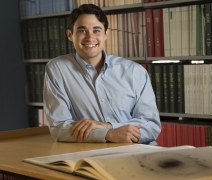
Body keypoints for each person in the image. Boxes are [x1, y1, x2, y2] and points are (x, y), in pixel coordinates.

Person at [43, 4, 161, 145]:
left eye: (96, 30)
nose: (90, 37)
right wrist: (108, 135)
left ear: (106, 34)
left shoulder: (135, 71)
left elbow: (151, 126)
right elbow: (59, 128)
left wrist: (108, 127)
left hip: (141, 152)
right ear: (70, 35)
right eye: (82, 30)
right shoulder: (57, 69)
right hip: (96, 156)